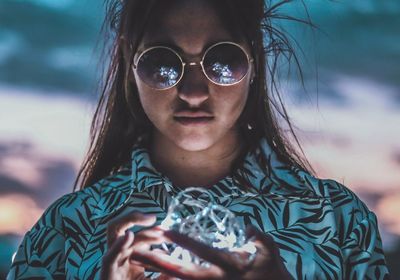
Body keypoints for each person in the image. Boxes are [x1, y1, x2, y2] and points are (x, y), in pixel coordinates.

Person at [7, 0, 391, 279]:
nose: (193, 91)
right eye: (163, 63)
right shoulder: (65, 230)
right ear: (129, 60)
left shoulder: (338, 222)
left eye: (222, 61)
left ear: (254, 59)